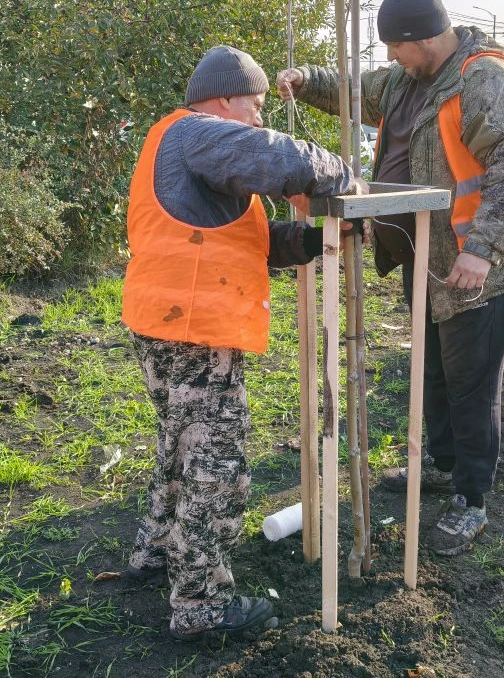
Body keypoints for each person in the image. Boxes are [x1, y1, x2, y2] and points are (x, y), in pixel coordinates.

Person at [278, 0, 504, 556]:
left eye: (396, 48)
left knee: (472, 384)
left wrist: (483, 247)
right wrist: (308, 81)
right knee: (433, 371)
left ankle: (470, 501)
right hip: (424, 254)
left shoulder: (485, 81)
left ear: (423, 37)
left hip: (476, 263)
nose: (390, 59)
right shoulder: (407, 81)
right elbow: (356, 89)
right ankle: (443, 466)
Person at [121, 45, 360, 640]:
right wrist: (339, 176)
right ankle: (201, 605)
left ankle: (156, 551)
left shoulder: (177, 144)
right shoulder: (198, 133)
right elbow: (278, 156)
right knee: (216, 469)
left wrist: (307, 241)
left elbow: (241, 240)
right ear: (225, 99)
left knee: (179, 446)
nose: (258, 119)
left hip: (165, 321)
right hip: (196, 331)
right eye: (254, 106)